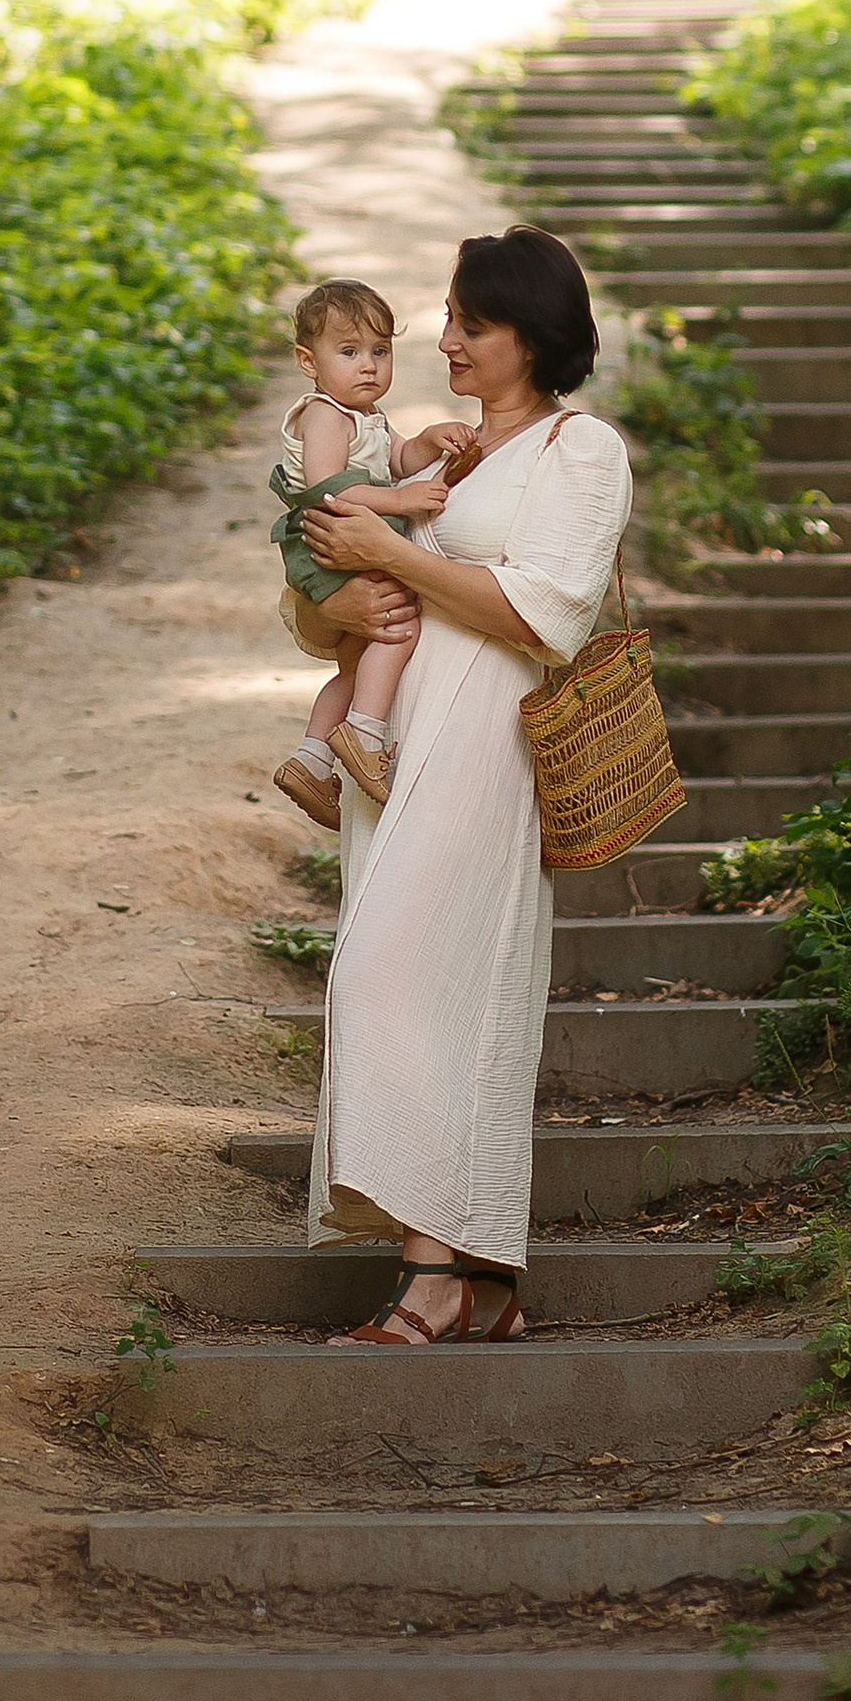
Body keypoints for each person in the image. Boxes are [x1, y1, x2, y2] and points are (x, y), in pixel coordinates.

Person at [294, 226, 632, 1344]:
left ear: (533, 337)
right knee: (425, 987)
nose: (444, 340)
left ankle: (432, 1273)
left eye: (470, 325)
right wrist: (338, 601)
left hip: (485, 742)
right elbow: (313, 603)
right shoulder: (424, 453)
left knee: (392, 977)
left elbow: (546, 615)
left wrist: (392, 560)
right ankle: (477, 1271)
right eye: (446, 317)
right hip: (388, 750)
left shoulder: (578, 453)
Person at [267, 282, 478, 830]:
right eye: (349, 352)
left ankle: (312, 757)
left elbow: (401, 458)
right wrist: (400, 501)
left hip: (355, 530)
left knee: (359, 663)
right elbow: (327, 488)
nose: (369, 366)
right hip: (330, 535)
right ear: (307, 362)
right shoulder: (324, 415)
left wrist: (430, 440)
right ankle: (364, 733)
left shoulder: (369, 416)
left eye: (380, 352)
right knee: (398, 627)